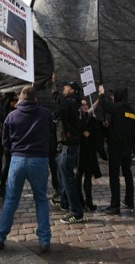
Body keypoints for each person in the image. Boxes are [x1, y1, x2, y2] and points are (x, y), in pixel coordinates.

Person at [0, 85, 53, 253]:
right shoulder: (45, 114)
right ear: (36, 98)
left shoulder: (12, 116)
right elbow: (51, 133)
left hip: (18, 159)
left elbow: (5, 142)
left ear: (21, 98)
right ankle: (44, 239)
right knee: (41, 199)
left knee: (11, 200)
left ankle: (0, 236)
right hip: (39, 159)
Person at [98, 84, 135, 215]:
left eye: (114, 95)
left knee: (114, 176)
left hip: (116, 147)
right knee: (127, 173)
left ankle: (115, 205)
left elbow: (104, 105)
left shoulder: (117, 108)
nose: (112, 97)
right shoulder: (131, 110)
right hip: (128, 147)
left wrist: (102, 94)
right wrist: (109, 126)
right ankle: (129, 200)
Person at [52, 77, 85, 224]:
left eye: (66, 87)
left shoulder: (69, 102)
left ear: (71, 90)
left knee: (67, 175)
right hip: (70, 143)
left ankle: (76, 211)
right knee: (60, 168)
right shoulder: (75, 102)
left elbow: (57, 112)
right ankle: (65, 202)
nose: (64, 88)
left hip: (69, 143)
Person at [77, 98, 102, 212]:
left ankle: (89, 202)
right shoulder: (78, 118)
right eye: (83, 105)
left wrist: (100, 97)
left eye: (86, 104)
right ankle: (79, 201)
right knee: (77, 178)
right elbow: (85, 133)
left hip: (89, 153)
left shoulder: (91, 119)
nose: (85, 106)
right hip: (80, 153)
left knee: (87, 178)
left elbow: (94, 133)